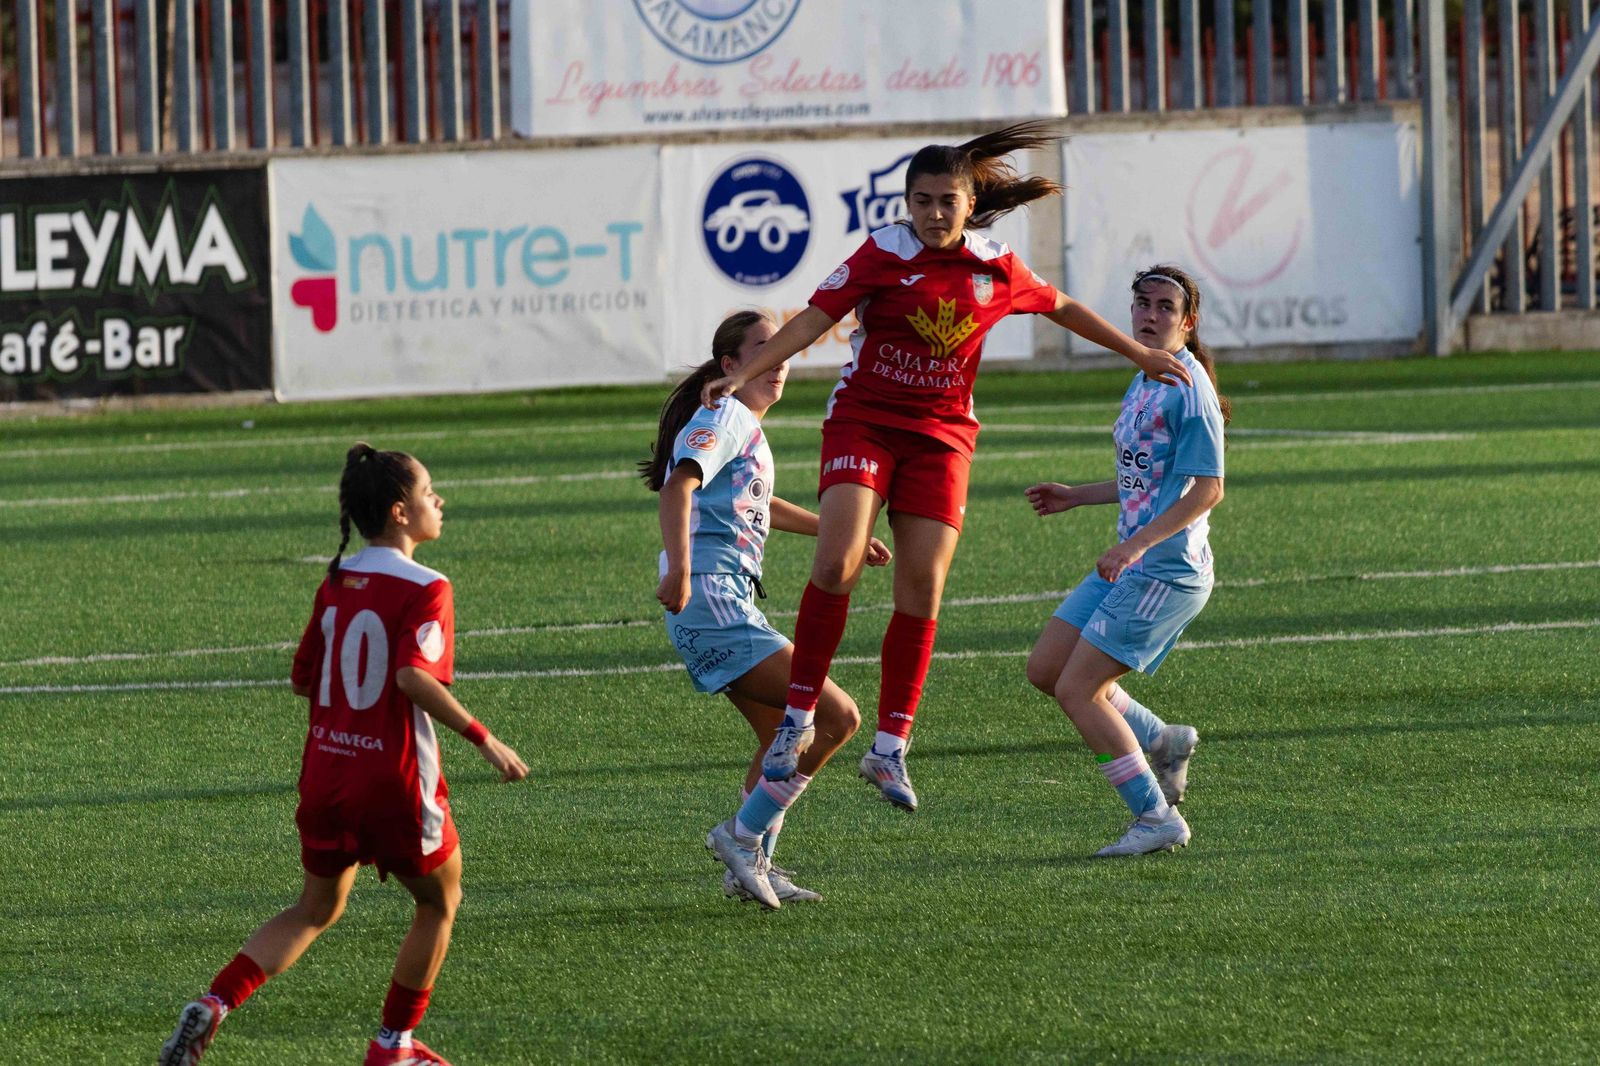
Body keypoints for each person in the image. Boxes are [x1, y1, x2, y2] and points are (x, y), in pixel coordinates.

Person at [700, 122, 1192, 812]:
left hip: (940, 438)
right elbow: (813, 318)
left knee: (922, 589)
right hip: (865, 423)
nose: (934, 213)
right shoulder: (881, 255)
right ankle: (797, 718)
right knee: (837, 562)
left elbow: (1065, 308)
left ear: (969, 204)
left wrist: (1136, 353)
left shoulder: (995, 265)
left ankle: (891, 748)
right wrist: (745, 371)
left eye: (947, 201)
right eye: (922, 200)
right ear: (907, 203)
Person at [160, 443, 528, 1066]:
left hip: (328, 772)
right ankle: (393, 1046)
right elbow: (413, 677)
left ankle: (216, 1003)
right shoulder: (429, 586)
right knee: (439, 901)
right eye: (428, 491)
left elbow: (303, 679)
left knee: (314, 907)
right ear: (399, 513)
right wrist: (485, 740)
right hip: (393, 778)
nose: (440, 501)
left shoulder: (336, 580)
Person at [643, 310, 891, 910]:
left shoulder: (743, 425)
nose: (778, 361)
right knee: (836, 717)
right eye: (763, 350)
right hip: (710, 596)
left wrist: (840, 531)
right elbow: (680, 485)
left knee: (783, 737)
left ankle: (751, 863)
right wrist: (679, 567)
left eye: (781, 349)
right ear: (731, 366)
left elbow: (761, 503)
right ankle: (740, 839)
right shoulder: (725, 413)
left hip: (718, 598)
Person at [1023, 264, 1229, 857]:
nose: (1150, 315)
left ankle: (1155, 817)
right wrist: (1077, 495)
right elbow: (1146, 479)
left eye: (1166, 307)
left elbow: (1207, 489)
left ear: (1188, 323)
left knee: (1079, 690)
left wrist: (1136, 544)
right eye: (1142, 303)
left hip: (1167, 569)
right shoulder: (1146, 376)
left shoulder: (1189, 388)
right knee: (1047, 669)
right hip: (1135, 563)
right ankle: (1162, 740)